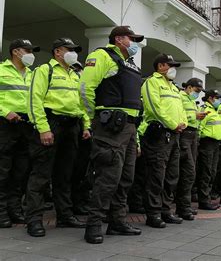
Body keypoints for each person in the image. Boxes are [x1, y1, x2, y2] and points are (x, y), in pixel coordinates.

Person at [80, 26, 144, 244]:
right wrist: (93, 119)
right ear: (118, 39)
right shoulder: (102, 56)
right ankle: (94, 224)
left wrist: (135, 137)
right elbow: (86, 88)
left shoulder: (131, 65)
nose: (135, 43)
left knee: (126, 178)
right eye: (131, 39)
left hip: (129, 128)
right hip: (110, 127)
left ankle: (117, 221)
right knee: (108, 177)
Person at [26, 38, 90, 237]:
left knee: (65, 174)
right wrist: (43, 129)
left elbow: (82, 102)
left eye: (74, 50)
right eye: (69, 49)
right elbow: (34, 100)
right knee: (41, 174)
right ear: (57, 52)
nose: (73, 53)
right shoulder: (45, 70)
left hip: (72, 127)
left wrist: (85, 125)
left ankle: (64, 216)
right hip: (51, 124)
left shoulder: (75, 74)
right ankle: (34, 220)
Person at [139, 53, 187, 228]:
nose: (173, 69)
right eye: (170, 65)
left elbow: (181, 109)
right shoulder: (152, 82)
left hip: (175, 135)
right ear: (160, 66)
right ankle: (153, 213)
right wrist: (173, 124)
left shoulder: (173, 87)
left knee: (172, 176)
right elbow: (154, 107)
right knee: (156, 175)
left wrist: (183, 124)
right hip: (160, 134)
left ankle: (166, 211)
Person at [0, 39, 39, 228]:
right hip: (6, 124)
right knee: (3, 170)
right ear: (16, 52)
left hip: (26, 125)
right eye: (28, 50)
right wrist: (5, 112)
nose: (31, 54)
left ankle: (14, 210)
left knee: (20, 171)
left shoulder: (32, 75)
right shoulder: (1, 70)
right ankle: (0, 212)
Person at [177, 78, 206, 220]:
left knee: (190, 171)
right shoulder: (181, 97)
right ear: (189, 87)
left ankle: (184, 205)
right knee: (188, 171)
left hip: (193, 136)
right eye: (197, 90)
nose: (198, 94)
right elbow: (178, 114)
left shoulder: (191, 100)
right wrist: (194, 115)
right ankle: (183, 207)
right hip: (184, 134)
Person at [196, 89, 221, 210]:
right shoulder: (204, 109)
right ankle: (203, 200)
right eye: (217, 98)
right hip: (207, 144)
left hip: (215, 145)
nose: (218, 100)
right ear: (210, 98)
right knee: (206, 172)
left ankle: (207, 197)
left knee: (212, 172)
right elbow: (199, 127)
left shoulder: (214, 110)